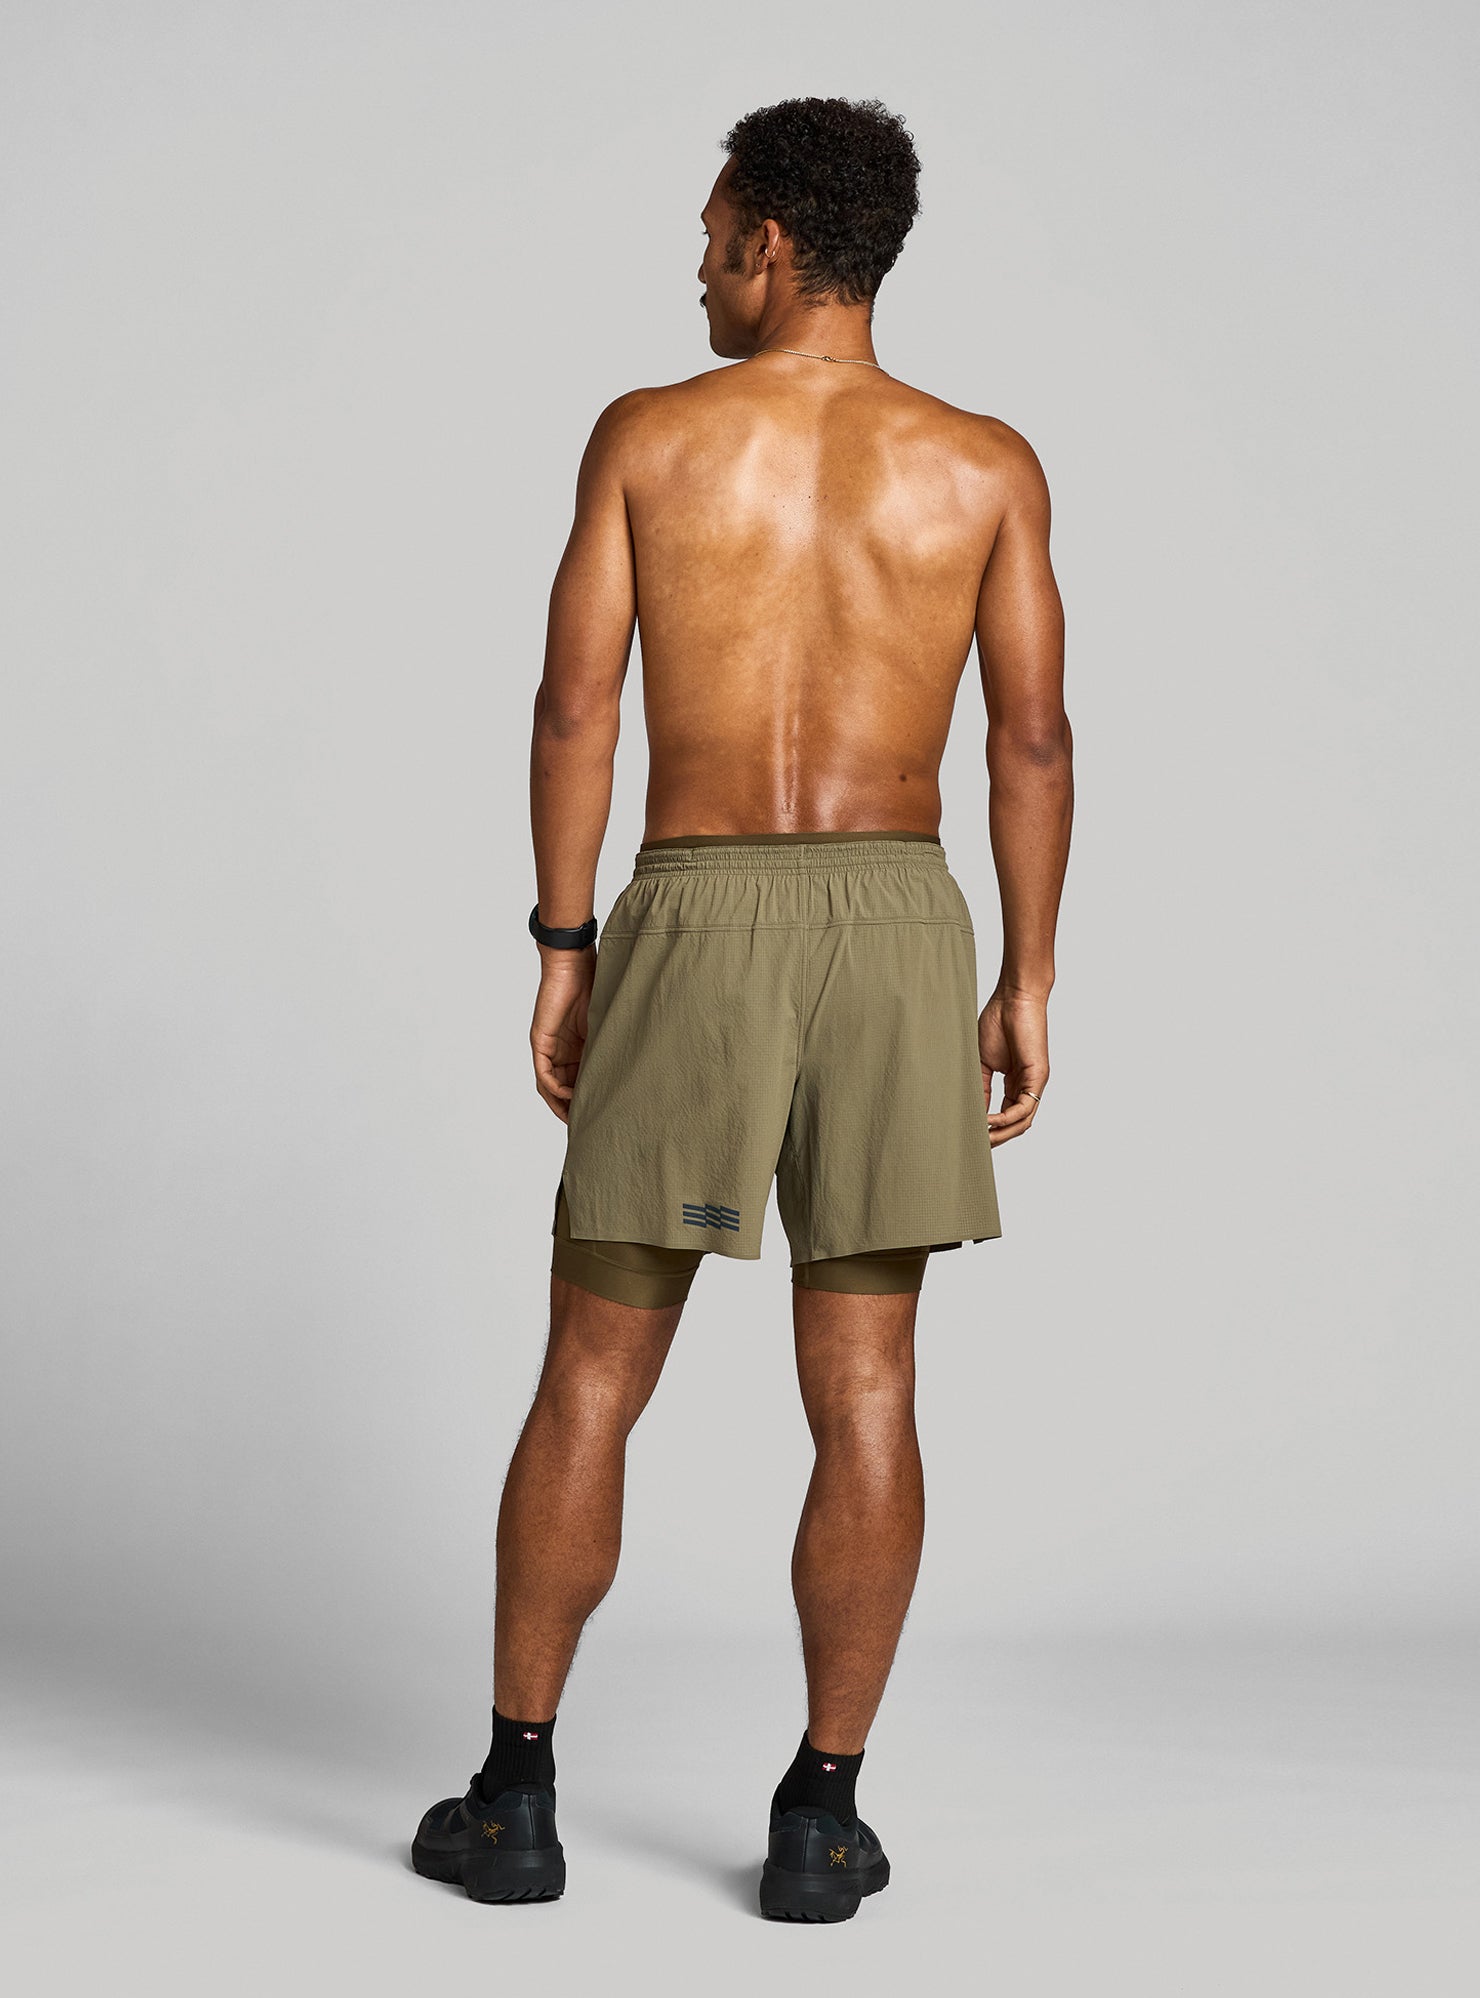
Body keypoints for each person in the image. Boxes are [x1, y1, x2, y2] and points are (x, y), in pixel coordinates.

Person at [412, 94, 1072, 1921]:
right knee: (866, 1384)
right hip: (898, 923)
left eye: (712, 240)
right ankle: (821, 1815)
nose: (699, 270)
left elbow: (575, 707)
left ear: (773, 244)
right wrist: (1026, 973)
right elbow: (1030, 739)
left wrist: (565, 943)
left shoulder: (650, 437)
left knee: (591, 1370)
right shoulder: (984, 464)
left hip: (695, 911)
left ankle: (515, 1795)